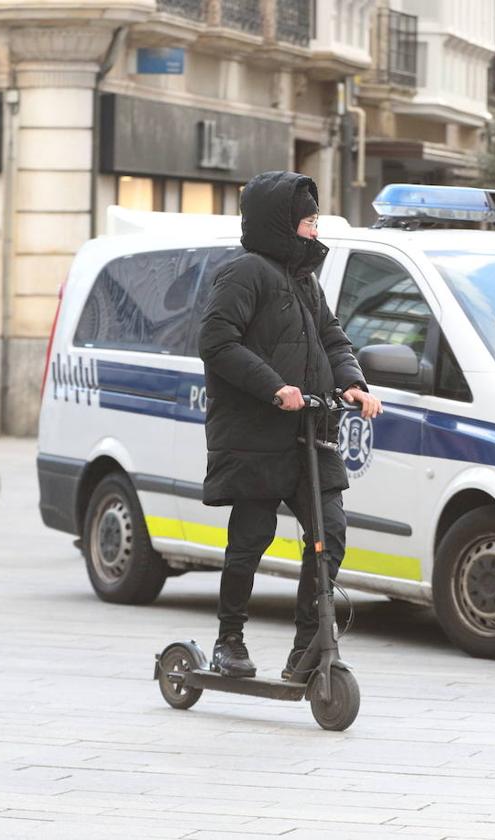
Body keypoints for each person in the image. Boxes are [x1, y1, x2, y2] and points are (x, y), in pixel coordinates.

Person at [198, 171, 383, 680]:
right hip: (257, 432)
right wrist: (274, 387)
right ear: (280, 224)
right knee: (249, 541)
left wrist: (352, 383)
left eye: (316, 221)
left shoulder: (305, 282)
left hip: (311, 432)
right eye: (308, 221)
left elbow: (334, 339)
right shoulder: (244, 274)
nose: (314, 231)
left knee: (332, 533)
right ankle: (228, 641)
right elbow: (217, 342)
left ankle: (308, 644)